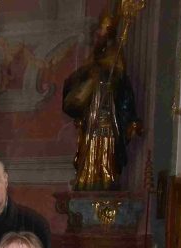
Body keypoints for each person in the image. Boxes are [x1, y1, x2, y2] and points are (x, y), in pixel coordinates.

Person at [62, 11, 141, 191]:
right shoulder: (95, 56)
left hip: (106, 110)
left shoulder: (114, 54)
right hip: (92, 113)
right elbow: (83, 78)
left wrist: (103, 73)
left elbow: (119, 80)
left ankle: (106, 178)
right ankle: (87, 177)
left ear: (109, 34)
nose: (98, 33)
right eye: (98, 30)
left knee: (105, 146)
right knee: (89, 146)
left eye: (102, 30)